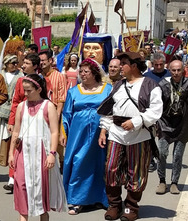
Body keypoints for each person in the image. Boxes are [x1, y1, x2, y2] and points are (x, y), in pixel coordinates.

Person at [97, 52, 163, 221]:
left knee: (136, 172)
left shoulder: (151, 85)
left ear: (133, 65)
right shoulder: (118, 84)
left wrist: (136, 121)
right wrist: (104, 130)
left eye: (123, 63)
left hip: (138, 135)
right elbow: (109, 109)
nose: (120, 67)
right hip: (116, 133)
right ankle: (114, 205)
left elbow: (155, 111)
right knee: (111, 168)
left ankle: (132, 207)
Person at [8, 74, 66, 221]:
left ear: (39, 89)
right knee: (21, 185)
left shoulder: (49, 106)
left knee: (40, 188)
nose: (25, 94)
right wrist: (11, 154)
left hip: (41, 153)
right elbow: (16, 131)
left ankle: (43, 216)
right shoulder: (22, 106)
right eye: (24, 90)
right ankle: (23, 217)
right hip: (23, 152)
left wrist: (52, 153)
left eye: (29, 90)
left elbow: (54, 132)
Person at [60, 58, 112, 215]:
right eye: (80, 71)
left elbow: (111, 111)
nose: (82, 74)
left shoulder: (107, 89)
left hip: (100, 132)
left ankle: (102, 198)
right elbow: (67, 114)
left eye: (86, 71)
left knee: (100, 163)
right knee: (78, 161)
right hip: (78, 134)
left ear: (94, 73)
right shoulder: (73, 91)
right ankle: (77, 200)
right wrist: (64, 132)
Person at [154, 60, 188, 195]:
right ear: (169, 70)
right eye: (173, 70)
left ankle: (174, 183)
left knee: (177, 155)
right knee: (161, 153)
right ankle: (162, 181)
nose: (176, 73)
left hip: (183, 124)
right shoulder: (162, 84)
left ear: (183, 70)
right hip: (165, 124)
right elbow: (155, 105)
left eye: (178, 70)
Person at [3, 53, 41, 193]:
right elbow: (15, 102)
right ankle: (12, 179)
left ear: (35, 66)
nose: (23, 66)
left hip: (37, 118)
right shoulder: (20, 81)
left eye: (27, 63)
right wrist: (12, 121)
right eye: (23, 63)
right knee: (16, 145)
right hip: (22, 118)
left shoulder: (42, 81)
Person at [0, 55, 23, 170]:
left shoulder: (20, 75)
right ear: (6, 64)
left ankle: (11, 153)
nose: (15, 65)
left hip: (14, 106)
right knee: (0, 131)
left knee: (11, 132)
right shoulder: (0, 75)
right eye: (12, 63)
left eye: (16, 63)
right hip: (0, 106)